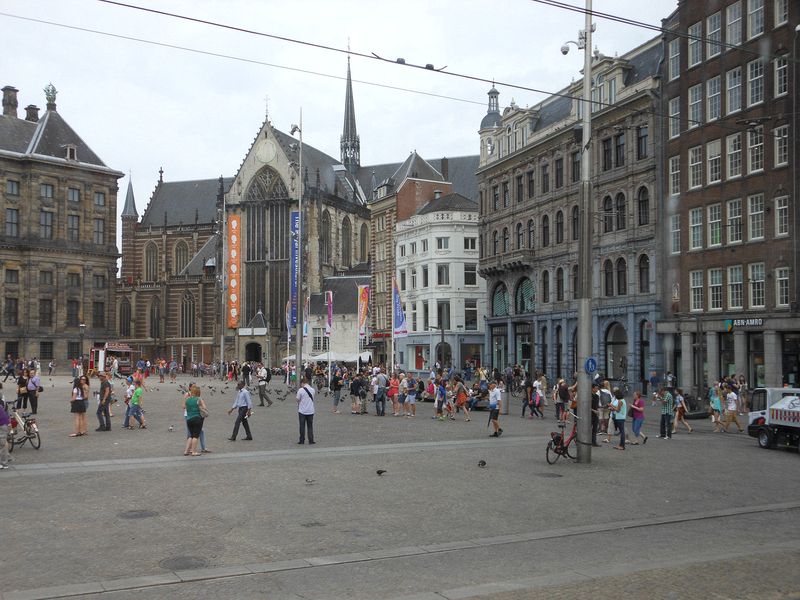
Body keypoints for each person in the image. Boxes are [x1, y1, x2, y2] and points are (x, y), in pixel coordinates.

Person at [183, 384, 208, 456]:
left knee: (190, 436)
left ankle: (186, 451)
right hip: (197, 419)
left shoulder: (187, 399)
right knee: (195, 436)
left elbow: (184, 406)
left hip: (189, 419)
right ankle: (193, 451)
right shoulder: (199, 399)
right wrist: (200, 407)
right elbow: (205, 408)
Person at [296, 376, 316, 444]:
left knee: (302, 426)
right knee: (310, 426)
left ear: (302, 383)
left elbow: (297, 399)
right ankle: (311, 440)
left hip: (302, 411)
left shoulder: (300, 390)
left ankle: (302, 440)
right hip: (310, 410)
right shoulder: (313, 390)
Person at [0, 399, 11, 469]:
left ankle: (3, 463)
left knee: (2, 445)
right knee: (3, 444)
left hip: (2, 425)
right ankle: (4, 462)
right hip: (4, 424)